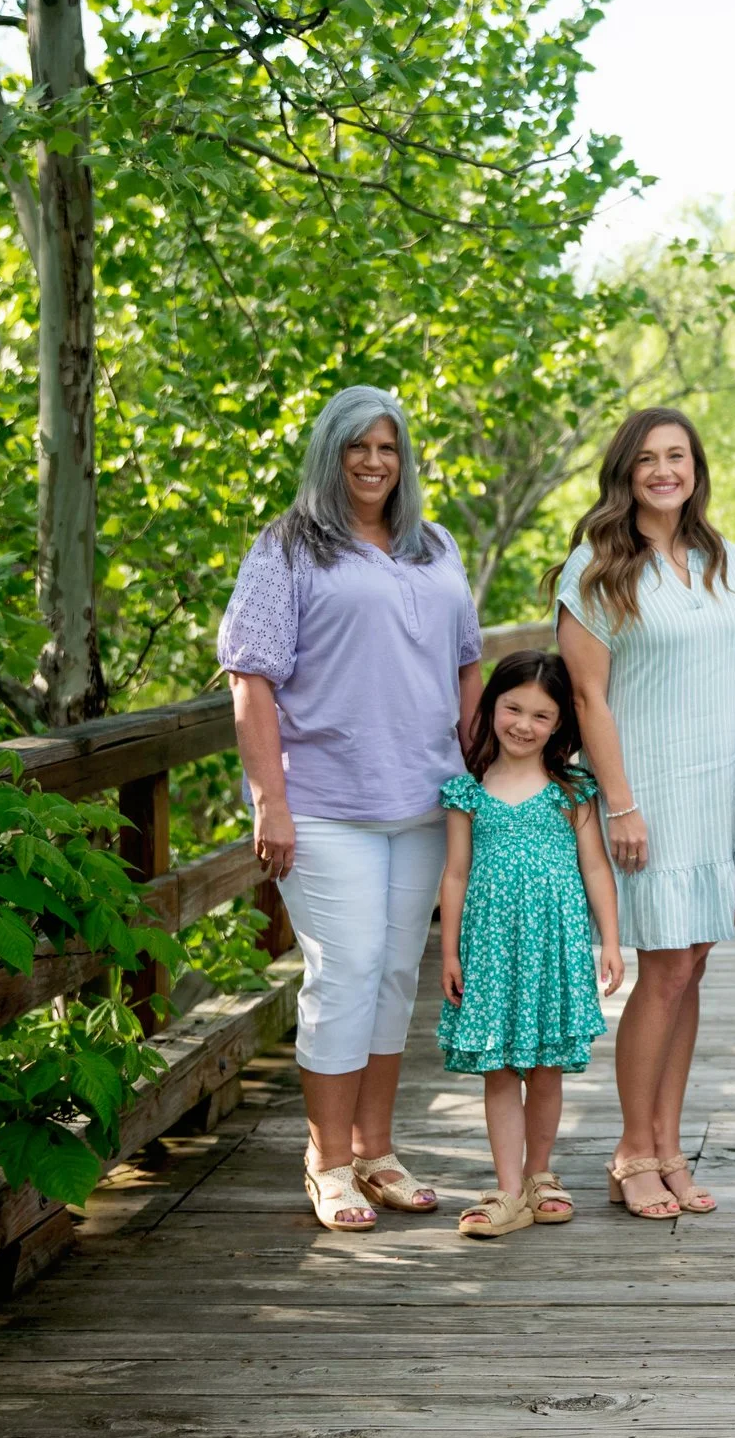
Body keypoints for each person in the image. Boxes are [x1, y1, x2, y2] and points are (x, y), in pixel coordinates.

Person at [218, 386, 478, 1233]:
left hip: (423, 797)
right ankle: (326, 1159)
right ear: (330, 454)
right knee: (348, 970)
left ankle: (377, 1150)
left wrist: (481, 784)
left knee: (397, 976)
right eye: (357, 447)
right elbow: (249, 677)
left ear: (405, 460)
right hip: (326, 802)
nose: (374, 462)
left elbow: (468, 664)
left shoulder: (433, 547)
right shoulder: (288, 547)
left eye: (389, 448)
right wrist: (271, 801)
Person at [551, 408, 735, 1221]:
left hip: (723, 784)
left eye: (678, 456)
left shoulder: (719, 559)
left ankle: (669, 1145)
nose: (665, 470)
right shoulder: (596, 569)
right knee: (664, 969)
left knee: (694, 963)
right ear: (625, 473)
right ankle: (631, 1148)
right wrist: (621, 804)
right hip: (652, 790)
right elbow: (587, 696)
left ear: (697, 468)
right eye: (648, 459)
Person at [436, 652, 624, 1239]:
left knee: (545, 1069)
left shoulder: (572, 789)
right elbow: (456, 875)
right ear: (491, 706)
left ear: (559, 723)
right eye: (512, 708)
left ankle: (540, 1173)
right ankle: (508, 1188)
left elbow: (595, 868)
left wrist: (610, 941)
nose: (522, 724)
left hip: (554, 945)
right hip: (490, 947)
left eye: (540, 716)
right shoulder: (468, 791)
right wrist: (449, 951)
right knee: (500, 1069)